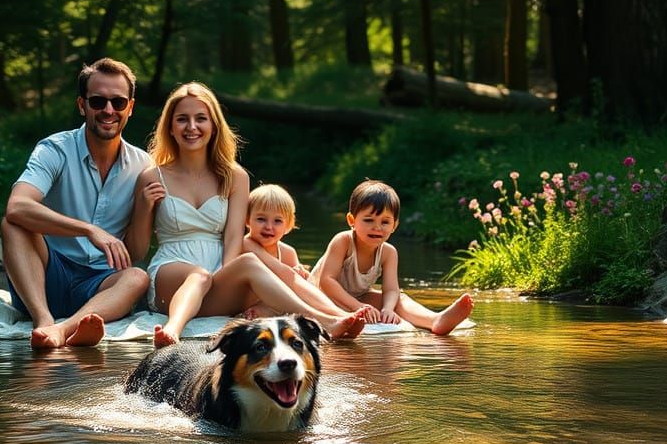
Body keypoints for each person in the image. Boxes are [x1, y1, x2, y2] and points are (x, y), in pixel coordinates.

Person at [125, 82, 366, 348]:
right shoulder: (152, 176)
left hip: (217, 275)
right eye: (182, 119)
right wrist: (145, 206)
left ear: (214, 125)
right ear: (170, 127)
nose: (191, 127)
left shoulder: (235, 176)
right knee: (199, 276)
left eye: (201, 119)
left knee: (252, 263)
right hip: (170, 275)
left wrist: (229, 280)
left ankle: (326, 318)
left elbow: (232, 239)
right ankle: (172, 330)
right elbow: (136, 252)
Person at [1, 58, 152, 348]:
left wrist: (144, 208)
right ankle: (44, 321)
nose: (108, 110)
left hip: (99, 285)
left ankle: (67, 329)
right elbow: (17, 206)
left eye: (118, 102)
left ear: (130, 108)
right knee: (12, 225)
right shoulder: (54, 150)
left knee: (137, 277)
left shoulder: (143, 165)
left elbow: (132, 253)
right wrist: (87, 229)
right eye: (98, 102)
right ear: (82, 105)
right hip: (45, 276)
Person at [310, 179, 474, 334]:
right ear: (351, 220)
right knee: (354, 302)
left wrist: (387, 308)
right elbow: (327, 281)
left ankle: (435, 320)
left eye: (385, 222)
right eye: (368, 220)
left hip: (358, 297)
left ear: (394, 225)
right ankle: (350, 316)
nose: (377, 227)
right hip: (325, 298)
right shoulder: (343, 241)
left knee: (398, 299)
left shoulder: (388, 252)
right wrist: (357, 306)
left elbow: (390, 289)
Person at [240, 184, 346, 319]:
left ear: (288, 225)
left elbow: (298, 287)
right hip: (244, 301)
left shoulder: (288, 252)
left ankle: (334, 312)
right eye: (261, 219)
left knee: (302, 288)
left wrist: (301, 274)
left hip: (276, 302)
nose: (268, 226)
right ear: (247, 219)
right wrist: (293, 275)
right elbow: (285, 274)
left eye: (277, 221)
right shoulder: (245, 244)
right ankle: (334, 315)